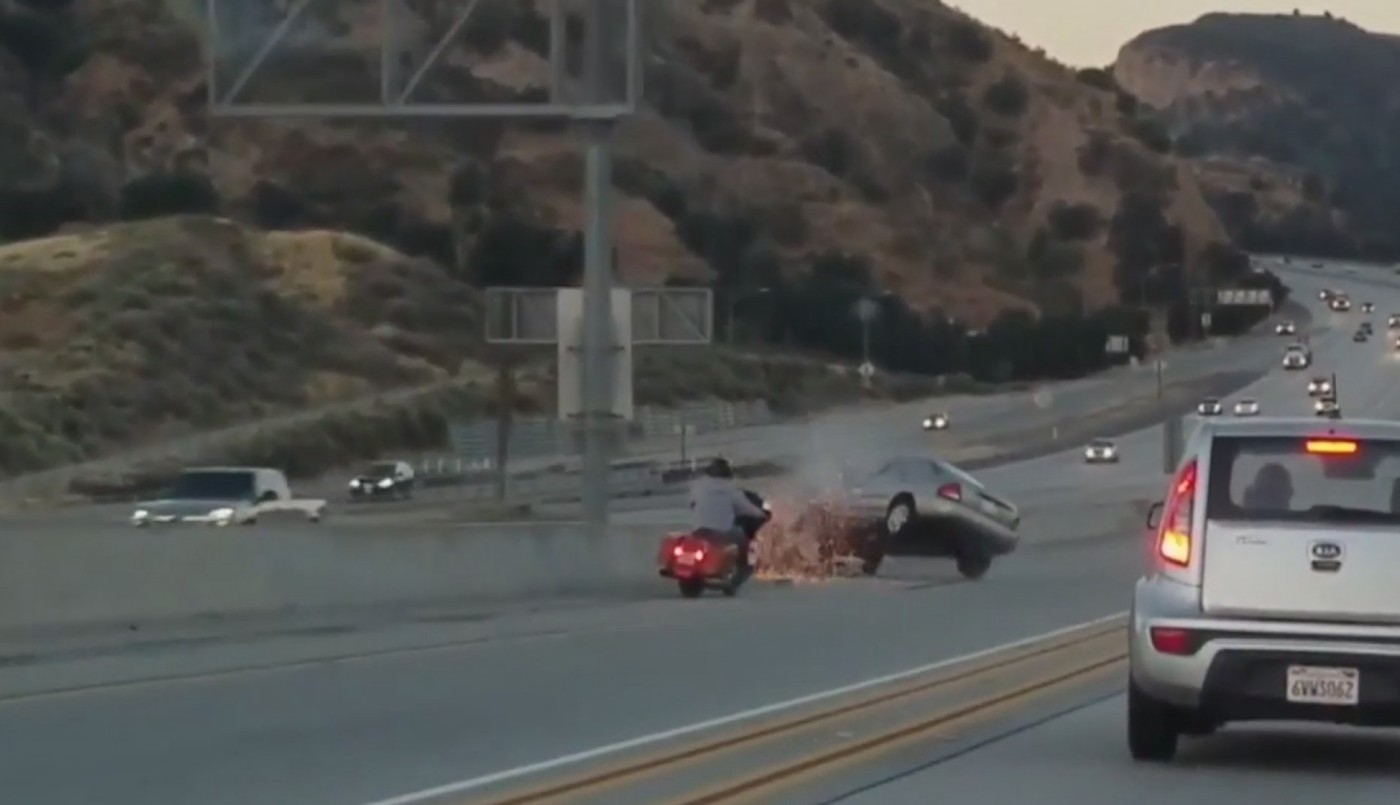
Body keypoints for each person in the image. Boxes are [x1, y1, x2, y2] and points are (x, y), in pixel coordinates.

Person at [689, 457, 768, 584]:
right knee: (744, 542)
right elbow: (746, 508)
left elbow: (692, 503)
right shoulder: (730, 490)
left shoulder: (698, 486)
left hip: (698, 531)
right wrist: (762, 514)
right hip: (721, 533)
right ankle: (740, 574)